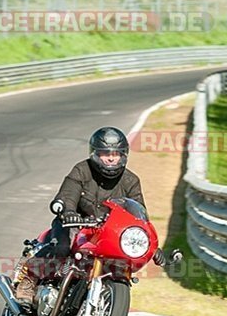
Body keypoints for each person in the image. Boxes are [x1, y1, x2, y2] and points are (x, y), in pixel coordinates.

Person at [14, 126, 146, 305]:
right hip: (74, 224)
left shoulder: (131, 181)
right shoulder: (82, 170)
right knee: (62, 248)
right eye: (105, 153)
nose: (111, 158)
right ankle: (29, 278)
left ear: (123, 155)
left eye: (116, 153)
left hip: (106, 232)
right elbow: (68, 194)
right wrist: (68, 212)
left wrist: (150, 241)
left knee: (120, 261)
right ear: (95, 154)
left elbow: (139, 215)